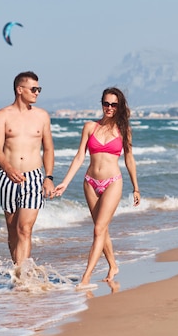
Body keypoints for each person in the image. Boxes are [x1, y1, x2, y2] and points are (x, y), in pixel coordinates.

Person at [55, 87, 140, 289]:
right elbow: (79, 157)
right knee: (101, 230)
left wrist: (136, 187)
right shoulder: (89, 127)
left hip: (113, 182)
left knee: (98, 229)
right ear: (101, 103)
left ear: (119, 106)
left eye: (113, 104)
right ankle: (113, 265)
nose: (109, 108)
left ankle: (86, 278)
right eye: (106, 103)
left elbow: (129, 159)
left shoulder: (123, 130)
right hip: (90, 183)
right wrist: (65, 182)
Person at [0, 71, 55, 266]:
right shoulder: (1, 116)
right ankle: (18, 270)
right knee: (12, 232)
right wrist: (9, 169)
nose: (37, 93)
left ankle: (22, 276)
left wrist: (49, 177)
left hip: (34, 177)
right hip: (8, 178)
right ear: (20, 90)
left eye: (39, 89)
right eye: (34, 89)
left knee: (24, 229)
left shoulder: (42, 116)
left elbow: (49, 148)